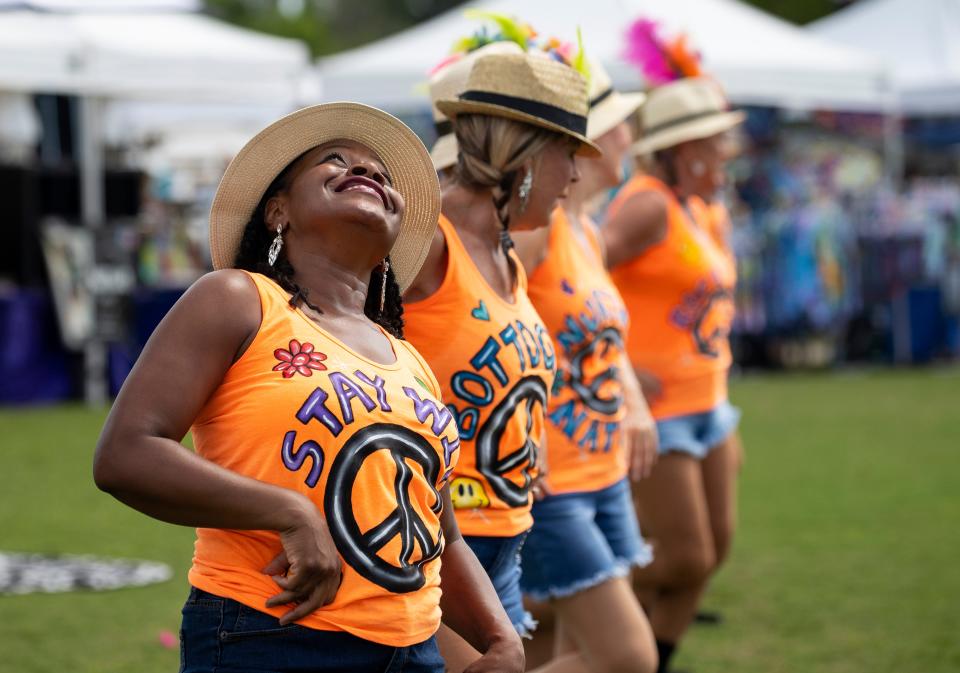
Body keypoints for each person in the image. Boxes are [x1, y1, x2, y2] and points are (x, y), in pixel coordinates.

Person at [93, 102, 524, 673]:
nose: (367, 172)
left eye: (382, 174)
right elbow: (125, 454)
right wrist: (288, 512)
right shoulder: (237, 299)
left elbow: (439, 532)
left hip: (415, 651)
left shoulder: (411, 360)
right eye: (335, 161)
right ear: (278, 212)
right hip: (274, 635)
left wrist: (500, 638)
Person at [402, 51, 597, 670]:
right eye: (568, 152)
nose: (575, 174)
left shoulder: (506, 252)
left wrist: (512, 446)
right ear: (527, 156)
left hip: (502, 541)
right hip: (433, 547)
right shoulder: (426, 240)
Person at [505, 55, 659, 673]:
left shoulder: (588, 231)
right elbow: (487, 331)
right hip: (553, 477)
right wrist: (515, 432)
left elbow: (604, 341)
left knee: (566, 650)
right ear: (585, 143)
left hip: (603, 468)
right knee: (627, 659)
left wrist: (637, 405)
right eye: (619, 124)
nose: (632, 137)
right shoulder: (535, 230)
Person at [602, 77, 746, 673]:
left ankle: (650, 659)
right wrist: (618, 362)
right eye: (717, 143)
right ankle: (575, 601)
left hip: (709, 402)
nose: (727, 153)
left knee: (711, 552)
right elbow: (577, 277)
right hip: (659, 412)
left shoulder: (700, 207)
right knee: (684, 558)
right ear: (685, 148)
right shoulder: (649, 202)